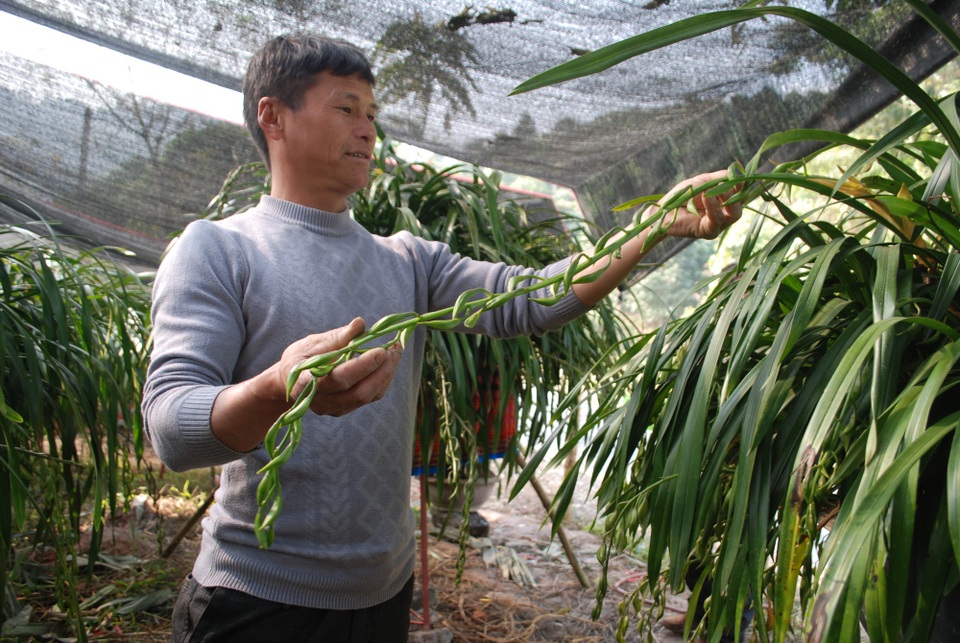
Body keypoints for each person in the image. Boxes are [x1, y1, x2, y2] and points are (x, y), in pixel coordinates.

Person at [141, 33, 742, 643]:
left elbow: (530, 298)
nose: (368, 130)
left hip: (383, 595)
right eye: (346, 108)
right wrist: (278, 390)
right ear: (272, 115)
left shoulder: (406, 263)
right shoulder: (217, 249)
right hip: (255, 599)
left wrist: (657, 224)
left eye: (373, 115)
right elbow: (171, 427)